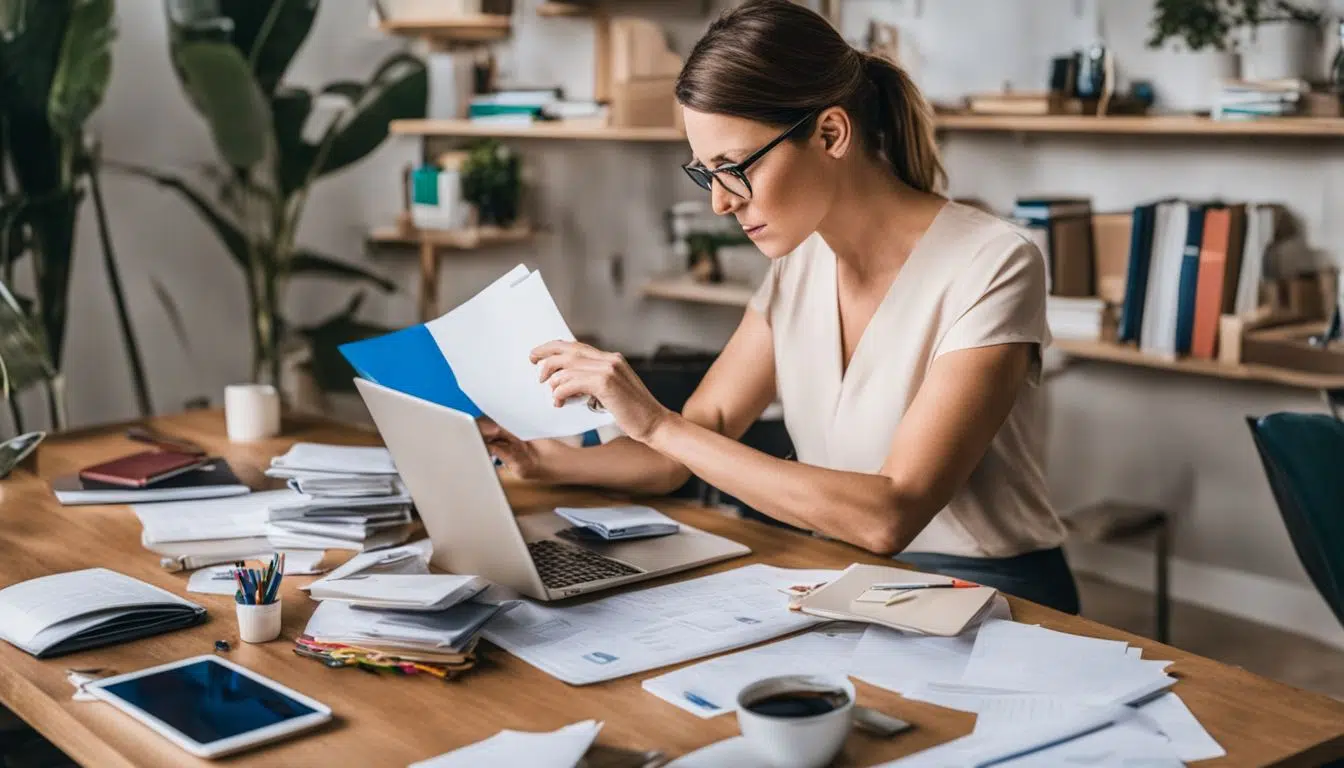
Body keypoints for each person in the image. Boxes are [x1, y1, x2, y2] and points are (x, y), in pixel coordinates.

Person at [479, 0, 1080, 614]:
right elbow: (693, 441)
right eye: (705, 173)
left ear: (830, 134)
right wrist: (543, 461)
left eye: (733, 168)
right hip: (847, 581)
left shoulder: (994, 262)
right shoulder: (800, 262)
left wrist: (659, 421)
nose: (719, 202)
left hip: (993, 598)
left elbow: (889, 516)